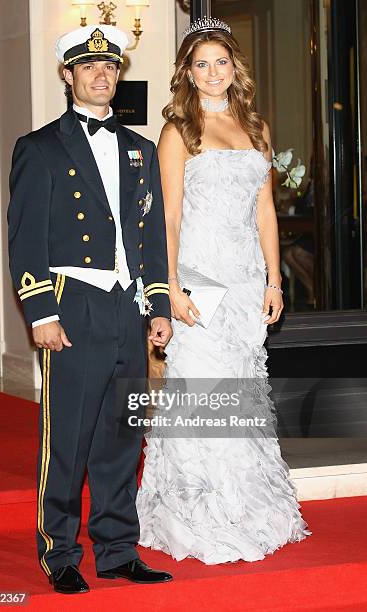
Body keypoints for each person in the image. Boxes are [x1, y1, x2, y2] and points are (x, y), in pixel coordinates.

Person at [136, 17, 311, 564]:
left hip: (241, 284)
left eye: (221, 62)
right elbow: (167, 217)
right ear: (187, 72)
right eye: (201, 63)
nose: (212, 73)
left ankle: (248, 505)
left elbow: (264, 211)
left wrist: (273, 277)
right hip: (199, 279)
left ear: (235, 68)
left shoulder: (255, 129)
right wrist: (169, 289)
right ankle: (198, 512)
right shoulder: (178, 132)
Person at [8, 25, 173, 594]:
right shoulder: (39, 147)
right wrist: (40, 313)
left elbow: (151, 236)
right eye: (88, 67)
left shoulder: (140, 149)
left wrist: (158, 305)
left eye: (109, 68)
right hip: (72, 306)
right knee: (69, 439)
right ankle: (59, 551)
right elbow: (26, 239)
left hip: (128, 308)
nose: (101, 75)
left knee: (122, 436)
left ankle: (118, 549)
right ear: (68, 75)